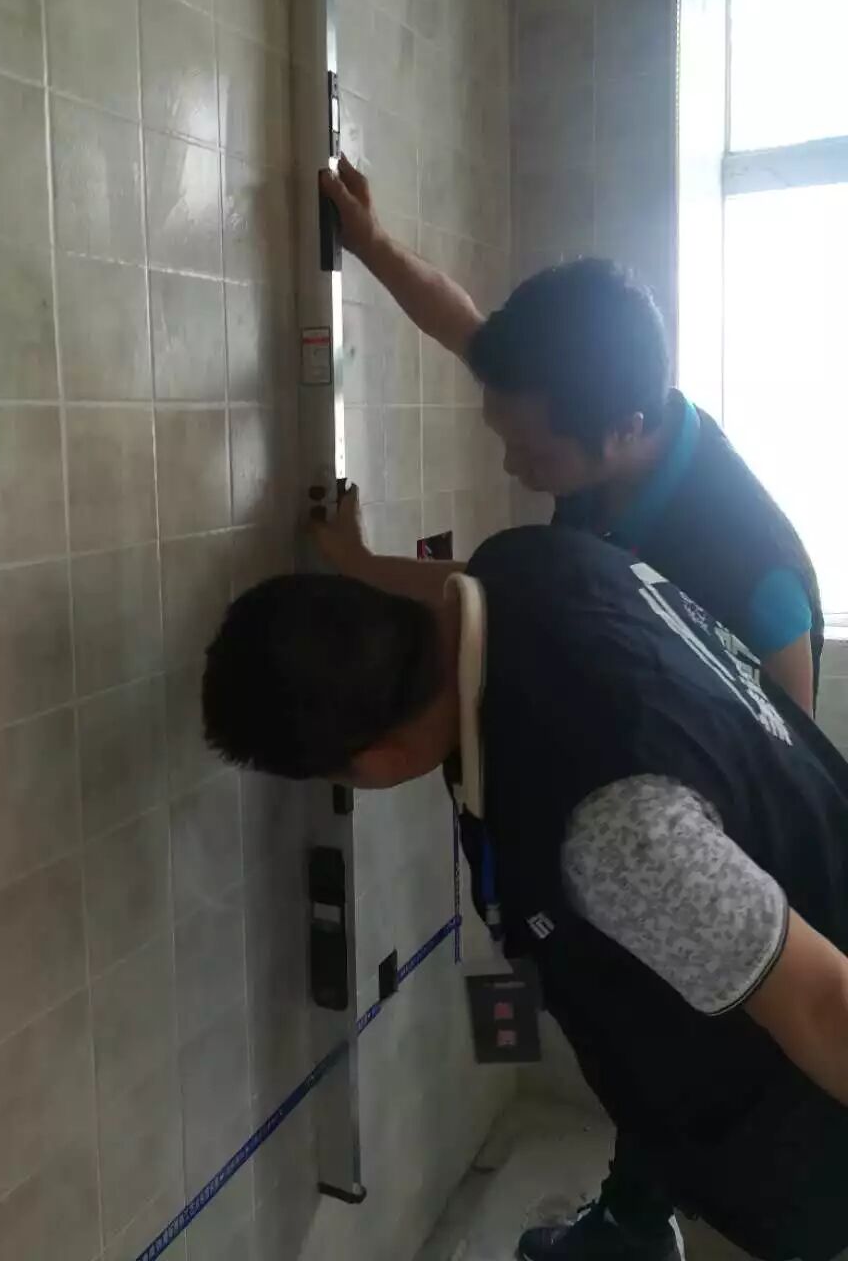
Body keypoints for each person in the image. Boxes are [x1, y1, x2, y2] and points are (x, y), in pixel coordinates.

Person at [202, 523, 848, 1261]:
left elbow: (825, 1006)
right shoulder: (529, 563)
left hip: (812, 1110)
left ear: (376, 761)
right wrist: (358, 558)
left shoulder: (612, 832)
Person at [319, 157, 822, 717]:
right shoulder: (561, 392)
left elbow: (792, 758)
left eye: (533, 454)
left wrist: (364, 566)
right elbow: (455, 319)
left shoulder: (753, 572)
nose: (512, 466)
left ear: (623, 431)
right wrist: (370, 241)